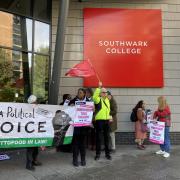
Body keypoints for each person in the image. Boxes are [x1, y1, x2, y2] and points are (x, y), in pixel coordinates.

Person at [69, 88, 90, 167]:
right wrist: (70, 106)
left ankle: (83, 159)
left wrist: (93, 110)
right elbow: (67, 109)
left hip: (84, 127)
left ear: (84, 94)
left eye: (80, 93)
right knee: (75, 144)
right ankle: (75, 160)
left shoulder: (89, 102)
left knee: (83, 144)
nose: (79, 94)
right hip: (76, 127)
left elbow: (92, 113)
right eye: (78, 93)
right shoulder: (74, 101)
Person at [93, 82, 111, 160]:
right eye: (103, 92)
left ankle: (107, 154)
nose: (105, 93)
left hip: (106, 121)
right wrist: (99, 88)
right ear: (100, 93)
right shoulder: (98, 99)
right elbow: (94, 97)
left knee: (107, 138)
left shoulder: (107, 100)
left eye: (106, 92)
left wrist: (109, 117)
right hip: (99, 121)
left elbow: (108, 110)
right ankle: (98, 154)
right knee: (98, 138)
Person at [26, 95, 42, 171]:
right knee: (30, 149)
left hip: (36, 132)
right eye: (36, 101)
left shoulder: (37, 109)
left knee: (35, 148)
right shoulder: (27, 110)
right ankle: (28, 164)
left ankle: (34, 161)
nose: (37, 102)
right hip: (30, 132)